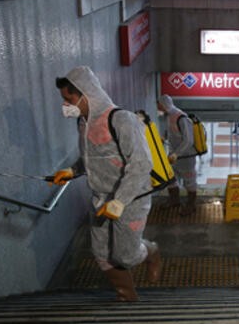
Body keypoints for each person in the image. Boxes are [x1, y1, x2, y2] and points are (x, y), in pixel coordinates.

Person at [50, 66, 162, 301]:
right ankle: (127, 296)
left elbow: (142, 165)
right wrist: (72, 170)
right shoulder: (83, 122)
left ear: (86, 94)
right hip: (101, 198)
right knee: (101, 253)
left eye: (68, 99)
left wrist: (119, 202)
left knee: (125, 257)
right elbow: (94, 156)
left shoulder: (122, 120)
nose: (65, 105)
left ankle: (151, 251)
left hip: (131, 200)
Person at [157, 94, 198, 216]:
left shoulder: (182, 118)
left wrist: (177, 154)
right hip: (173, 156)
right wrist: (164, 138)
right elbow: (172, 133)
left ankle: (191, 206)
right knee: (171, 178)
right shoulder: (169, 116)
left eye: (159, 104)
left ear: (164, 104)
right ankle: (174, 200)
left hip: (186, 157)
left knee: (189, 181)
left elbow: (189, 140)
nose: (158, 107)